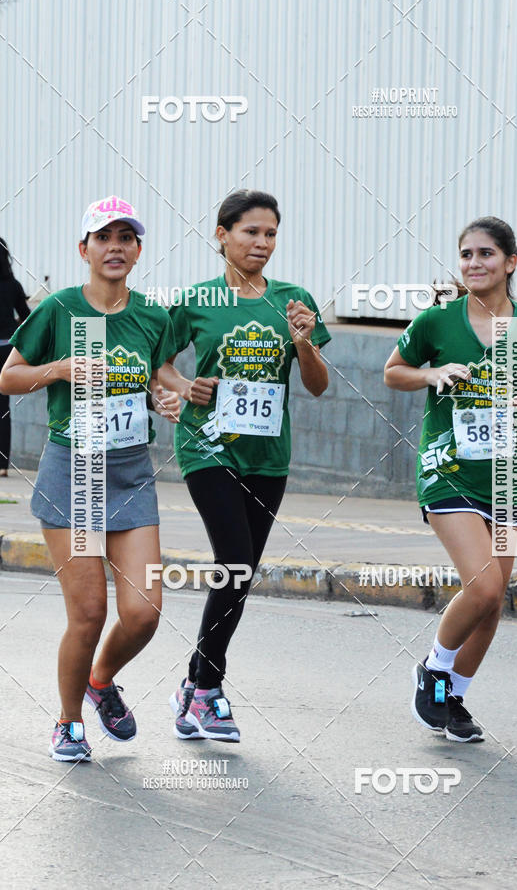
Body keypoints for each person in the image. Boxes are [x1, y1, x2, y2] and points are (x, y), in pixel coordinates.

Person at [384, 217, 517, 743]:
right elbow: (393, 371)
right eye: (466, 254)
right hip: (447, 469)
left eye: (486, 254)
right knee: (483, 585)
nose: (474, 263)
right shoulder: (438, 321)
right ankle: (434, 670)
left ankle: (453, 698)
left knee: (493, 601)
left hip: (505, 480)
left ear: (510, 262)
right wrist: (431, 373)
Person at [0, 196, 180, 762]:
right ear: (84, 249)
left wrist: (166, 395)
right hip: (74, 476)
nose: (115, 247)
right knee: (89, 614)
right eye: (104, 237)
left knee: (144, 612)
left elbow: (160, 372)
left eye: (126, 238)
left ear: (138, 251)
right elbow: (8, 377)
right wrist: (60, 369)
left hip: (131, 475)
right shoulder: (59, 309)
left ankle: (100, 681)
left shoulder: (152, 316)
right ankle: (69, 720)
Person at [156, 189, 331, 742]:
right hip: (206, 446)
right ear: (222, 235)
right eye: (251, 231)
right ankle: (209, 691)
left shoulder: (293, 300)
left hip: (268, 457)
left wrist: (304, 342)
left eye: (270, 233)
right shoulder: (197, 299)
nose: (262, 242)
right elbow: (158, 364)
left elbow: (318, 385)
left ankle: (192, 684)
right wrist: (185, 385)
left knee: (241, 572)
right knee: (232, 560)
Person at [0, 238, 30, 475]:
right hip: (6, 349)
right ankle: (2, 465)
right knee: (3, 408)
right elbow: (28, 318)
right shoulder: (13, 285)